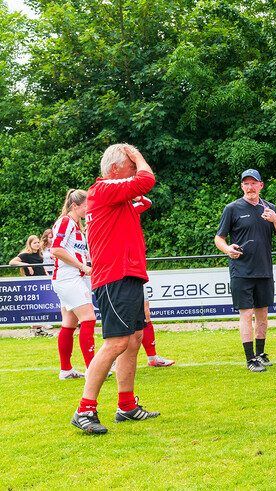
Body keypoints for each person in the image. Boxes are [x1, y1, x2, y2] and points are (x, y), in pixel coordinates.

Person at [72, 144, 159, 435]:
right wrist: (136, 154)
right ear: (113, 170)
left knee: (133, 339)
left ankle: (126, 405)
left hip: (127, 275)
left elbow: (143, 199)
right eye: (129, 165)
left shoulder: (114, 197)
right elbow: (147, 180)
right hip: (115, 277)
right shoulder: (103, 188)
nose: (135, 169)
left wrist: (133, 188)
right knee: (117, 342)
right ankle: (84, 409)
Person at [215, 169, 276, 372]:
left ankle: (261, 354)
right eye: (246, 184)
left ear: (261, 185)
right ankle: (250, 359)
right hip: (241, 270)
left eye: (253, 183)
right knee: (246, 313)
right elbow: (219, 238)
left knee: (262, 314)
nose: (250, 187)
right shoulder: (232, 208)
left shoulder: (270, 208)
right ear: (242, 186)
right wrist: (228, 249)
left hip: (264, 269)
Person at [50, 189, 96, 380]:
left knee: (69, 323)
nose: (89, 209)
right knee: (89, 318)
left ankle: (66, 370)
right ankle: (93, 369)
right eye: (86, 206)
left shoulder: (76, 225)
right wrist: (82, 267)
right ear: (75, 206)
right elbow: (56, 249)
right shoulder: (66, 222)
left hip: (70, 277)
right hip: (68, 277)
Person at [132, 195, 175, 368]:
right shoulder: (111, 213)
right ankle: (113, 360)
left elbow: (147, 203)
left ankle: (152, 357)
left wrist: (134, 193)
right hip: (120, 273)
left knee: (145, 312)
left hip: (137, 269)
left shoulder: (131, 209)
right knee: (122, 319)